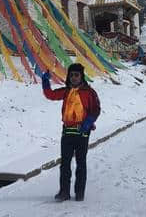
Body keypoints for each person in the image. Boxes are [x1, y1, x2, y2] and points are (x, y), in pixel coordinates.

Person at [42, 63, 101, 202]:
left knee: (81, 163)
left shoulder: (89, 92)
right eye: (71, 75)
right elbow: (51, 95)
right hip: (67, 132)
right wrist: (45, 82)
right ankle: (64, 192)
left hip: (82, 133)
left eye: (77, 75)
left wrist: (88, 123)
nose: (74, 78)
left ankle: (79, 193)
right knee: (65, 164)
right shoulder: (66, 91)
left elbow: (96, 109)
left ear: (81, 76)